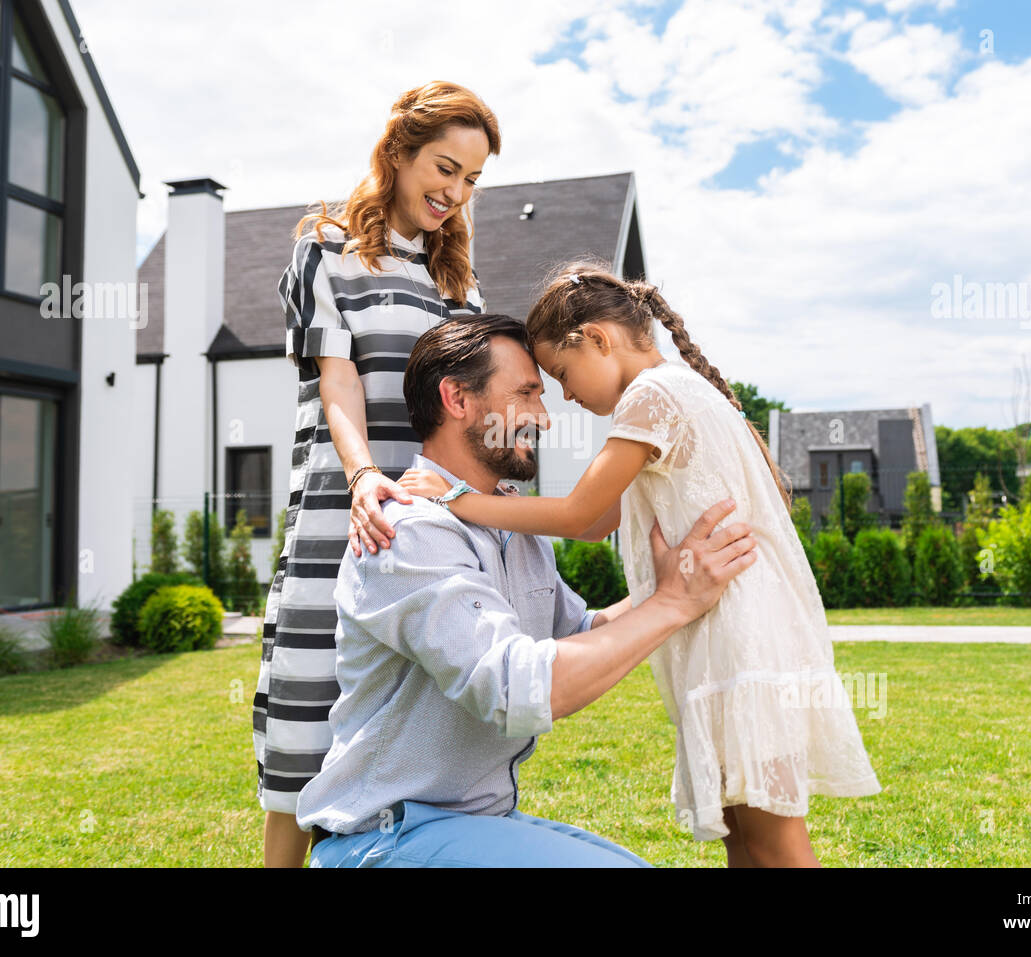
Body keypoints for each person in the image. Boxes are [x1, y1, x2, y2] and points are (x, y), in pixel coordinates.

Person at [397, 262, 883, 868]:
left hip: (739, 639)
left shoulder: (651, 398)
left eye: (562, 375)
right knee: (747, 834)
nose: (566, 397)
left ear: (597, 339)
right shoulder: (677, 396)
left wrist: (459, 501)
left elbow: (578, 515)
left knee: (777, 840)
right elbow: (603, 521)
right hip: (734, 633)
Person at [300, 314, 759, 867]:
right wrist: (671, 603)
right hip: (382, 838)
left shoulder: (510, 524)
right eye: (527, 394)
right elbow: (519, 689)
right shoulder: (407, 532)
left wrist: (678, 584)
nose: (543, 417)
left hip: (471, 823)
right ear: (457, 399)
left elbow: (581, 636)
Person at [254, 81, 500, 867]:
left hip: (427, 542)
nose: (454, 192)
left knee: (412, 761)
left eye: (470, 179)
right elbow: (340, 381)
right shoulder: (325, 249)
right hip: (341, 521)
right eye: (444, 166)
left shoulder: (460, 287)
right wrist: (364, 478)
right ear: (397, 152)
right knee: (303, 755)